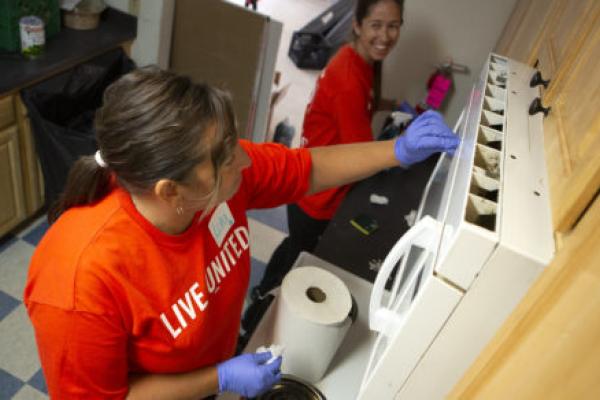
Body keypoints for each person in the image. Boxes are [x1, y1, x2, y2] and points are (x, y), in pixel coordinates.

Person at [24, 67, 458, 399]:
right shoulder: (79, 281)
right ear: (170, 190)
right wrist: (222, 377)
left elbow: (305, 171)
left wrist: (397, 151)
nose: (245, 162)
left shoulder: (213, 177)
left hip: (210, 368)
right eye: (227, 158)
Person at [252, 0, 412, 299]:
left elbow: (359, 105)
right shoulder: (350, 77)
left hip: (309, 179)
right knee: (298, 264)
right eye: (376, 25)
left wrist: (392, 106)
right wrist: (406, 149)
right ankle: (261, 307)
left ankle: (262, 292)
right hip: (318, 195)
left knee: (293, 249)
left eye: (393, 26)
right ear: (357, 24)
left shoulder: (356, 61)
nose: (385, 36)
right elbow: (366, 153)